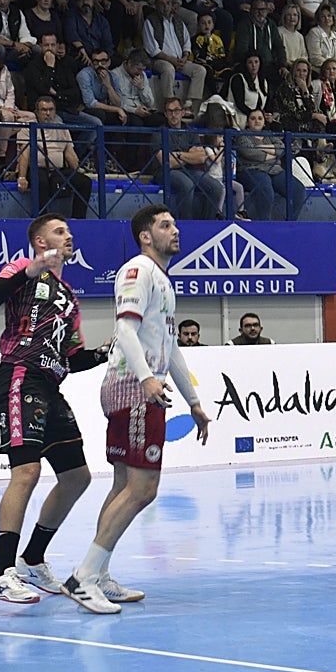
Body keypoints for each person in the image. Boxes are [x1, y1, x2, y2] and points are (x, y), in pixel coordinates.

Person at [62, 205, 210, 614]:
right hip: (134, 389)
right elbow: (124, 328)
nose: (175, 231)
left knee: (124, 486)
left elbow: (170, 347)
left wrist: (194, 402)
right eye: (165, 226)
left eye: (176, 224)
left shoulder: (162, 279)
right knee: (144, 489)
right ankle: (83, 577)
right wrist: (146, 379)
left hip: (139, 386)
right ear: (145, 236)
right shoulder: (138, 271)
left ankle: (99, 574)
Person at [0, 214, 107, 604]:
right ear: (39, 241)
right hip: (20, 376)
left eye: (69, 231)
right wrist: (30, 270)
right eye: (59, 231)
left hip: (50, 386)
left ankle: (33, 560)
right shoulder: (22, 269)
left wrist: (104, 353)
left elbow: (72, 357)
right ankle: (2, 574)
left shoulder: (69, 296)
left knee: (77, 477)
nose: (68, 236)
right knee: (27, 471)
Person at [16, 95, 93, 218]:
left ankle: (79, 218)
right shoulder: (28, 128)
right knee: (41, 181)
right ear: (37, 112)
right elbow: (24, 154)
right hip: (37, 168)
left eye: (51, 110)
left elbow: (70, 153)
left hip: (58, 170)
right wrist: (22, 177)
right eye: (44, 110)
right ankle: (42, 218)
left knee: (85, 182)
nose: (48, 113)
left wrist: (77, 172)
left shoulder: (61, 128)